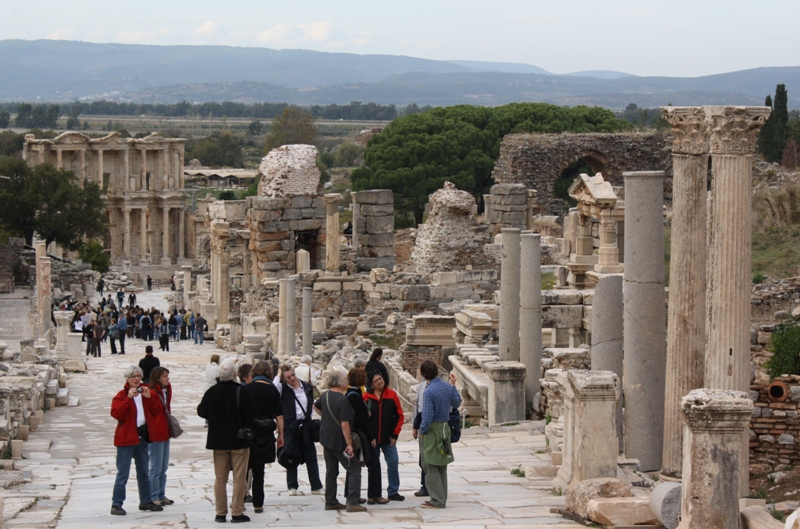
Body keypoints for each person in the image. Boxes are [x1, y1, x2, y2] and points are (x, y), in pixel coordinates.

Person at [197, 358, 257, 524]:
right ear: (235, 374)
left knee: (220, 478)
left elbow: (201, 411)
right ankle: (237, 512)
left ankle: (220, 512)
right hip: (238, 441)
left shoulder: (212, 392)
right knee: (239, 478)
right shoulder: (240, 391)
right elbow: (252, 413)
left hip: (219, 440)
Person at [110, 365, 163, 515]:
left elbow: (158, 410)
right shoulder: (121, 395)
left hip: (142, 438)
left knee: (144, 472)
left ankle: (146, 501)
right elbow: (117, 413)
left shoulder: (146, 391)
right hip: (126, 439)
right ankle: (116, 503)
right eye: (133, 376)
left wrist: (149, 397)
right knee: (123, 473)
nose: (136, 379)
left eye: (138, 376)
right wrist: (128, 398)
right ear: (127, 378)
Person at [313, 369, 366, 513]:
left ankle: (330, 500)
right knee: (354, 468)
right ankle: (352, 502)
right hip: (339, 441)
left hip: (326, 438)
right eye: (345, 379)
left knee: (331, 470)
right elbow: (345, 424)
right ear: (341, 382)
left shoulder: (326, 395)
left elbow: (316, 407)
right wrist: (349, 444)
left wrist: (327, 418)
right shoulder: (342, 400)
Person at [275, 364, 323, 496]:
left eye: (292, 375)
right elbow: (274, 389)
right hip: (290, 425)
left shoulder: (305, 386)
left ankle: (316, 486)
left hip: (305, 424)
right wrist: (279, 374)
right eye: (288, 377)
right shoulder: (283, 389)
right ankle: (292, 485)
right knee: (290, 454)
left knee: (311, 456)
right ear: (284, 379)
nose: (292, 378)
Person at [418, 360, 461, 509]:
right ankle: (442, 497)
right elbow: (457, 402)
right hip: (445, 427)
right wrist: (453, 386)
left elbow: (427, 415)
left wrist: (422, 431)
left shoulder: (428, 391)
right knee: (442, 464)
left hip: (433, 429)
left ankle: (437, 500)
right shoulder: (446, 386)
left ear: (423, 374)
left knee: (430, 464)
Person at [243, 361, 284, 513]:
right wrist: (281, 435)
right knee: (259, 470)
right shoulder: (272, 390)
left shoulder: (247, 388)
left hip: (249, 433)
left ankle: (240, 498)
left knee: (244, 467)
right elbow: (279, 416)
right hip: (265, 434)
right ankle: (258, 503)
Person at [364, 372, 405, 503]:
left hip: (388, 438)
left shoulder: (392, 395)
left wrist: (395, 434)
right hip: (373, 439)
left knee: (393, 462)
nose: (379, 382)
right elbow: (363, 419)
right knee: (374, 467)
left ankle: (393, 491)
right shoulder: (366, 397)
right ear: (371, 383)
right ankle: (375, 493)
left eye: (380, 379)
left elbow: (399, 416)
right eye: (376, 380)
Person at [344, 368, 373, 503]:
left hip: (352, 431)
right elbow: (361, 419)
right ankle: (352, 496)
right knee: (355, 465)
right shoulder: (354, 396)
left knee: (352, 465)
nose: (366, 379)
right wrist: (370, 436)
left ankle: (350, 493)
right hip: (356, 434)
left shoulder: (351, 393)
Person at [148, 366, 174, 507]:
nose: (167, 379)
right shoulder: (152, 393)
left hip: (165, 432)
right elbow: (156, 409)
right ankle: (153, 495)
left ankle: (161, 494)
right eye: (164, 376)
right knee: (155, 467)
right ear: (157, 377)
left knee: (163, 467)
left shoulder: (166, 390)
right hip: (157, 433)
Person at [411, 375, 430, 497]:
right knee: (423, 457)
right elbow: (418, 407)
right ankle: (425, 485)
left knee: (434, 458)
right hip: (423, 423)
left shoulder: (441, 387)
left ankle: (433, 486)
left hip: (434, 425)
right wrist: (415, 426)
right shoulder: (422, 386)